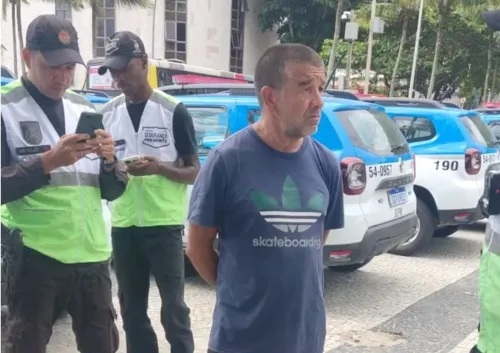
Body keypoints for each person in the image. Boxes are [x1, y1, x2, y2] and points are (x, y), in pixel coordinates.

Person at [186, 43, 345, 353]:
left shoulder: (326, 163)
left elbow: (316, 240)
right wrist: (239, 293)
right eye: (305, 88)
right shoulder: (226, 161)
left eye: (320, 88)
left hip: (305, 339)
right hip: (239, 341)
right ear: (270, 98)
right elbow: (197, 247)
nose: (319, 101)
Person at [1, 14, 127, 353]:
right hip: (36, 259)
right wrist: (47, 162)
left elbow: (112, 189)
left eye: (70, 66)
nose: (63, 76)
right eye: (53, 66)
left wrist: (112, 162)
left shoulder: (83, 107)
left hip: (92, 258)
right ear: (27, 58)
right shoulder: (4, 108)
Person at [98, 31, 199, 353]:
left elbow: (194, 171)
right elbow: (101, 170)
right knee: (131, 312)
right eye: (112, 71)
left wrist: (159, 168)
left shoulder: (173, 111)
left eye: (123, 69)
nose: (117, 78)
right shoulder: (107, 114)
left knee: (174, 311)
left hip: (164, 226)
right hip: (124, 227)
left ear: (143, 63)